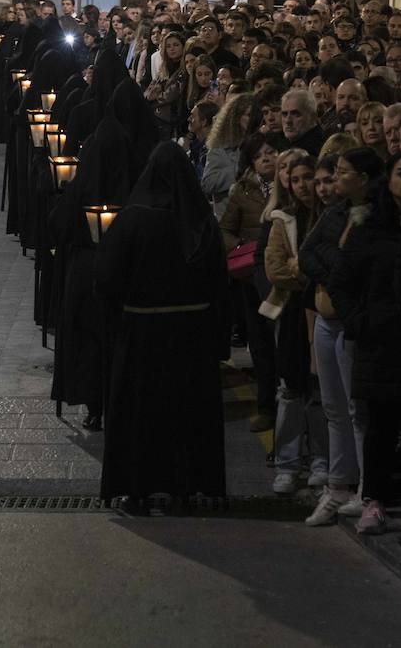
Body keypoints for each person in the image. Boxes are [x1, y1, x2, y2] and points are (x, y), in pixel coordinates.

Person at [95, 143, 228, 509]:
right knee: (187, 414)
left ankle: (137, 488)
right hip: (193, 337)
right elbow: (220, 284)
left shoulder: (132, 221)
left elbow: (105, 278)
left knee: (142, 416)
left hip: (142, 337)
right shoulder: (202, 223)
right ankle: (189, 487)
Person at [331, 151, 401, 534]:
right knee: (380, 427)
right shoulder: (370, 226)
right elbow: (342, 281)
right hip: (380, 343)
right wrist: (360, 322)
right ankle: (375, 500)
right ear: (388, 179)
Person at [300, 146, 383, 525]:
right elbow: (307, 253)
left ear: (363, 179)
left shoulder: (376, 218)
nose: (335, 179)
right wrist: (338, 269)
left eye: (343, 172)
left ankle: (366, 488)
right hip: (325, 319)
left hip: (350, 323)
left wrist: (336, 271)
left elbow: (363, 265)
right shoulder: (334, 213)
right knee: (334, 408)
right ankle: (338, 485)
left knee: (356, 410)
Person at [263, 149, 327, 494]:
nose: (302, 185)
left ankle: (320, 459)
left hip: (319, 312)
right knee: (290, 389)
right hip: (291, 311)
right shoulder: (283, 220)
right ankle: (287, 463)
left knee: (318, 391)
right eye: (296, 178)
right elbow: (275, 269)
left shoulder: (328, 217)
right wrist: (306, 271)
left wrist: (299, 266)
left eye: (308, 178)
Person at [219, 133, 278, 431]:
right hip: (253, 278)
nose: (266, 158)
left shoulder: (290, 184)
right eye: (259, 155)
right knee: (261, 343)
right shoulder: (243, 191)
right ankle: (267, 407)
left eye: (271, 152)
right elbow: (226, 229)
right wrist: (243, 246)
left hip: (281, 276)